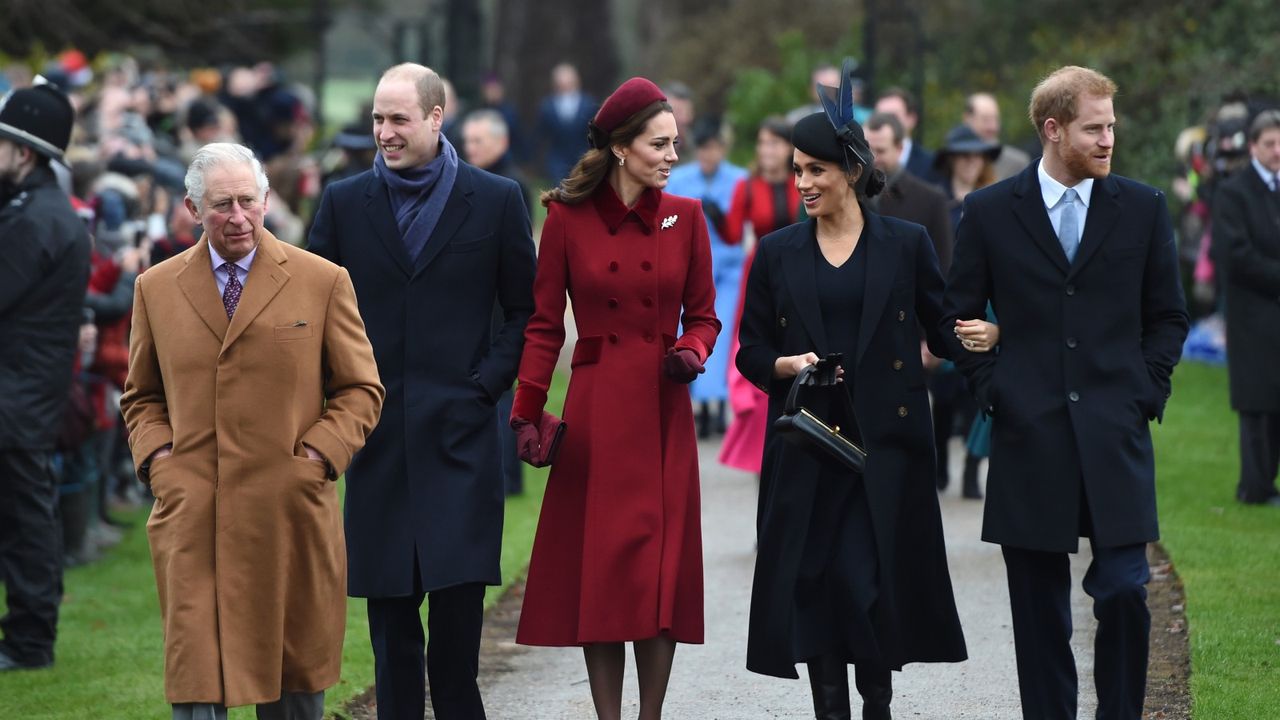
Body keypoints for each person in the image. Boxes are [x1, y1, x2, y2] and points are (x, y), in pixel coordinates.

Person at [942, 65, 1190, 719]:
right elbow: (954, 316)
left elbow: (1168, 317)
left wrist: (1144, 392)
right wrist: (997, 391)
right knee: (1038, 611)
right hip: (1029, 436)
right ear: (1053, 130)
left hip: (1117, 434)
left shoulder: (1142, 207)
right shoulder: (991, 213)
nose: (1109, 139)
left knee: (1123, 593)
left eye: (1112, 127)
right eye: (1095, 128)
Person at [120, 142, 385, 719]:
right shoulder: (156, 289)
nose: (238, 217)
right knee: (196, 678)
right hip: (194, 515)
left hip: (286, 512)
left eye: (248, 201)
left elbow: (361, 390)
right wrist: (161, 463)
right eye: (221, 205)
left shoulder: (321, 281)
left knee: (294, 678)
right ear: (193, 209)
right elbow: (141, 396)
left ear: (267, 200)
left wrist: (316, 458)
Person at [736, 67, 969, 719]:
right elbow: (750, 349)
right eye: (796, 171)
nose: (804, 183)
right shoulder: (778, 252)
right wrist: (784, 366)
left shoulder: (905, 244)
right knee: (813, 584)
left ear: (851, 169)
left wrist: (983, 339)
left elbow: (942, 325)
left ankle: (876, 704)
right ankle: (833, 711)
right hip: (808, 449)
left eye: (815, 170)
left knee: (865, 582)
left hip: (885, 448)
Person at [307, 63, 537, 720]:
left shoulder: (495, 200)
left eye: (398, 119)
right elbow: (310, 312)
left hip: (462, 443)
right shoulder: (344, 203)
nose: (384, 132)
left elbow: (525, 312)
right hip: (376, 449)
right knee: (393, 646)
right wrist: (340, 403)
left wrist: (484, 389)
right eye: (378, 119)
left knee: (457, 653)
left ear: (437, 119)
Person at [510, 77, 719, 720]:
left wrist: (693, 351)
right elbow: (545, 326)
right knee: (601, 569)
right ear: (623, 148)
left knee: (658, 569)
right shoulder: (567, 219)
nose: (672, 157)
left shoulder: (688, 216)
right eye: (660, 144)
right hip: (597, 409)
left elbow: (705, 316)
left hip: (662, 406)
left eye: (676, 144)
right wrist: (526, 410)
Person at [0, 80, 91, 672]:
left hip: (16, 397)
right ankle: (28, 635)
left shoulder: (34, 219)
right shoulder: (33, 210)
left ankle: (31, 641)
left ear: (23, 152)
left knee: (26, 523)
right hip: (24, 391)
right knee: (25, 518)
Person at [718, 116, 801, 476]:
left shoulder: (803, 181)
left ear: (789, 148)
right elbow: (735, 235)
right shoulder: (747, 186)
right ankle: (757, 434)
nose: (768, 150)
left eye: (775, 143)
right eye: (763, 143)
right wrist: (718, 217)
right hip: (760, 274)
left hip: (799, 271)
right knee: (754, 345)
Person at [1210, 108, 1280, 506]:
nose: (1277, 151)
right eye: (1269, 143)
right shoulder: (1234, 193)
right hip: (1252, 314)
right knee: (1256, 405)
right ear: (1253, 147)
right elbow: (1236, 256)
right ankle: (1254, 486)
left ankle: (1268, 483)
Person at [929, 123, 1003, 494]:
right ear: (952, 160)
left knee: (977, 384)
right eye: (964, 155)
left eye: (977, 155)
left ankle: (974, 470)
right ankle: (941, 463)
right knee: (944, 390)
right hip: (947, 299)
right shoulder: (937, 201)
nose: (971, 162)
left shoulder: (996, 199)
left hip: (987, 303)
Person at [666, 116, 748, 438]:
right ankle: (696, 407)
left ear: (722, 149)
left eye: (713, 149)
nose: (708, 156)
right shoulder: (680, 179)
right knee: (685, 331)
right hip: (691, 269)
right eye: (702, 149)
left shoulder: (739, 179)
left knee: (722, 335)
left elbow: (741, 227)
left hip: (727, 270)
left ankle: (716, 406)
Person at [864, 111, 953, 275]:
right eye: (868, 150)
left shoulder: (931, 200)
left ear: (899, 149)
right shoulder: (850, 194)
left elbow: (942, 267)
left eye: (881, 151)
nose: (873, 158)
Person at [536, 63, 598, 185]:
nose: (564, 83)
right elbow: (540, 134)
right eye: (560, 80)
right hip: (557, 159)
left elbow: (594, 132)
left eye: (567, 79)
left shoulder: (588, 103)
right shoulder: (547, 105)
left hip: (582, 156)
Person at [874, 87, 940, 185]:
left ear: (911, 119)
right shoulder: (865, 164)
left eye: (893, 117)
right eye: (880, 118)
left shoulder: (932, 165)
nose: (886, 124)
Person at [963, 92, 1032, 181]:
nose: (992, 127)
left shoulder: (1017, 163)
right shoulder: (953, 162)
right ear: (967, 119)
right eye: (985, 120)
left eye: (995, 119)